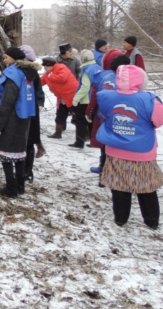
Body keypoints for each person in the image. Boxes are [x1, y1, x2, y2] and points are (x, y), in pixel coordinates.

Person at [97, 64, 163, 230]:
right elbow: (158, 121)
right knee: (146, 187)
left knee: (119, 186)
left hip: (115, 149)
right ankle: (151, 220)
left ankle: (120, 219)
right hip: (142, 151)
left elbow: (104, 116)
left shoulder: (105, 96)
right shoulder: (150, 100)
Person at [0, 47, 40, 198]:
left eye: (6, 57)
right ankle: (20, 186)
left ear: (13, 58)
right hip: (25, 117)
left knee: (6, 154)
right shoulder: (27, 73)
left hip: (12, 118)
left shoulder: (12, 73)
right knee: (19, 154)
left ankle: (11, 188)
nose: (4, 60)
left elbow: (8, 100)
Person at [85, 51, 129, 185]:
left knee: (105, 144)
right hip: (124, 116)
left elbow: (94, 96)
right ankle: (118, 175)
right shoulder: (130, 77)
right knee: (120, 146)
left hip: (103, 116)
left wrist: (89, 111)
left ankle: (103, 175)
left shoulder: (101, 76)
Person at [19, 45, 46, 183]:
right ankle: (28, 171)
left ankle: (21, 171)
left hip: (20, 109)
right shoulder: (34, 72)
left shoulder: (18, 71)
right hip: (32, 108)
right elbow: (38, 89)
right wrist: (39, 103)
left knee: (21, 141)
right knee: (29, 141)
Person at [68, 50, 102, 149]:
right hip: (95, 98)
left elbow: (85, 87)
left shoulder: (86, 69)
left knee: (80, 121)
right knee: (91, 120)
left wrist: (76, 98)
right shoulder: (98, 68)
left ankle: (79, 142)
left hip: (85, 99)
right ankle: (94, 141)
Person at [41, 57, 79, 139]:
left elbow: (62, 78)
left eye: (45, 67)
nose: (44, 68)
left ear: (49, 66)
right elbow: (40, 82)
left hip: (72, 97)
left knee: (77, 115)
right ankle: (58, 133)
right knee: (60, 115)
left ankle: (83, 134)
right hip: (61, 98)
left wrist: (51, 77)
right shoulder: (47, 74)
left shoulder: (61, 67)